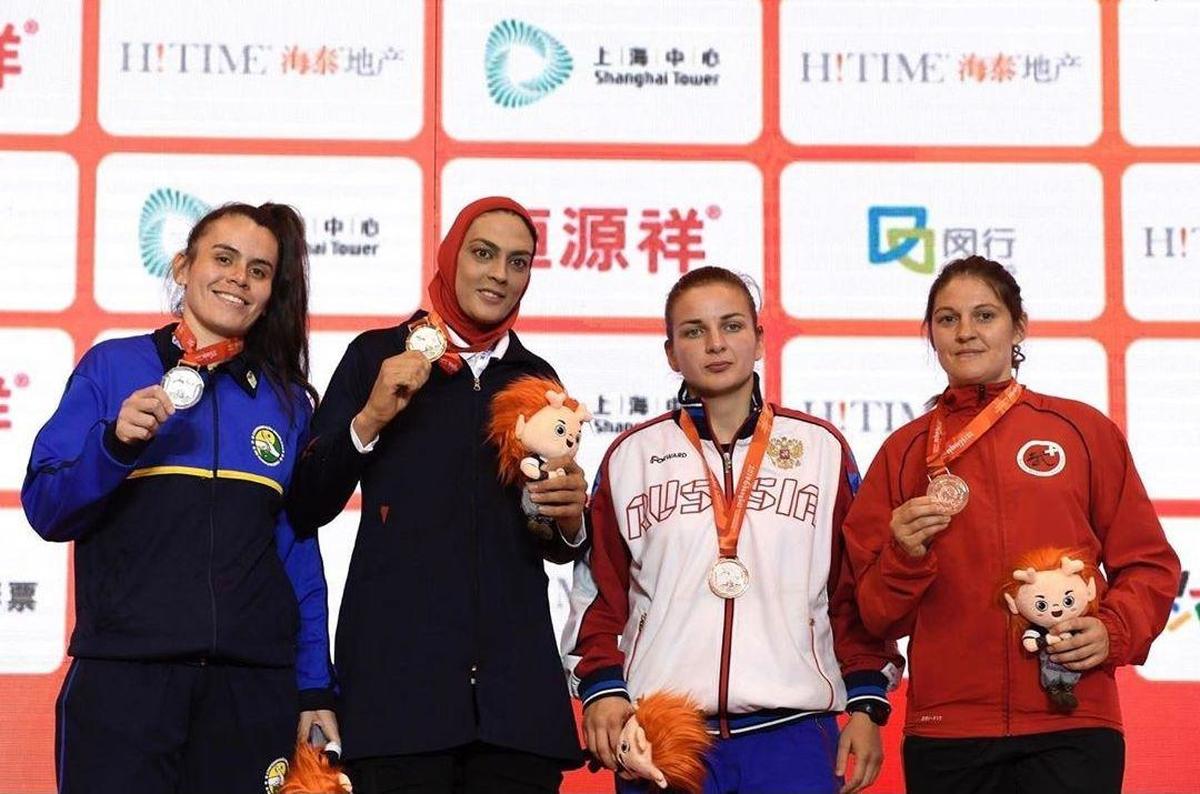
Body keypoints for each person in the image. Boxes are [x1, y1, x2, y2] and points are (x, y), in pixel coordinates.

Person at [22, 203, 337, 793]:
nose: (239, 278)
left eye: (259, 270)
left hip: (249, 687)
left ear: (271, 293)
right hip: (126, 678)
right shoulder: (112, 367)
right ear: (182, 266)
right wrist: (113, 445)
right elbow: (46, 507)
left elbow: (298, 556)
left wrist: (315, 685)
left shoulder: (288, 402)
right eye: (223, 258)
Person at [841, 255, 1181, 794]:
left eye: (985, 315)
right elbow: (874, 614)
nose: (966, 332)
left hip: (1070, 720)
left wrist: (1113, 630)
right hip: (948, 730)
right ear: (931, 334)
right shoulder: (903, 452)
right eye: (948, 319)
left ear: (1018, 327)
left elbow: (1149, 563)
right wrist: (904, 555)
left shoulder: (1082, 430)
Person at [287, 196, 588, 793]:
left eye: (518, 262)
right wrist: (371, 418)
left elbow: (550, 542)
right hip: (399, 697)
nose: (499, 274)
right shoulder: (376, 355)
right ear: (451, 258)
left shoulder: (536, 378)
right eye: (483, 254)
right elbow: (309, 501)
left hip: (514, 704)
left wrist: (569, 519)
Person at [562, 266, 901, 794]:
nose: (715, 343)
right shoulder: (632, 456)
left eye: (732, 325)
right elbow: (598, 594)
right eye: (694, 331)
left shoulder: (820, 449)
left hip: (792, 733)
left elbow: (850, 591)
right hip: (665, 734)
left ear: (760, 340)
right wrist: (602, 687)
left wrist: (865, 700)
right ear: (671, 352)